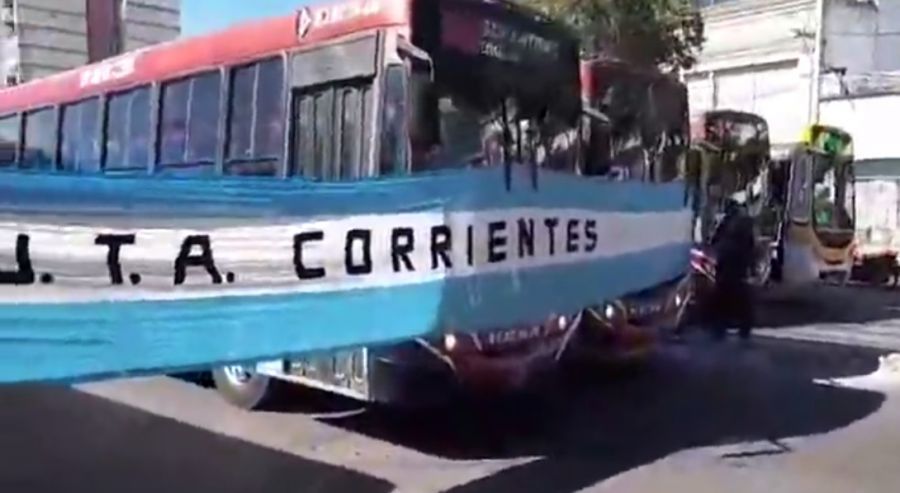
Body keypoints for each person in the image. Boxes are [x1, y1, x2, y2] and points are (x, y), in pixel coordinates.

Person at [709, 198, 757, 341]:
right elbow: (751, 246)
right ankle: (743, 330)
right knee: (741, 299)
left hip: (725, 265)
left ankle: (720, 329)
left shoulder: (724, 222)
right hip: (738, 266)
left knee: (723, 298)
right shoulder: (745, 223)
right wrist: (751, 267)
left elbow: (714, 241)